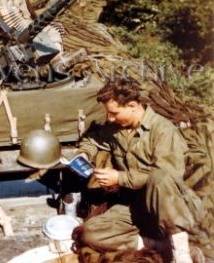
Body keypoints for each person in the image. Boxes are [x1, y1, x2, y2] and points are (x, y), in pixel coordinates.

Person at [77, 79, 204, 263]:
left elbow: (168, 176)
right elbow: (91, 140)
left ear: (132, 105)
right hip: (135, 207)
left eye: (114, 113)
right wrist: (84, 154)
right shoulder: (115, 129)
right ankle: (158, 245)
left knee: (160, 177)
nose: (110, 118)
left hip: (166, 206)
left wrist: (120, 178)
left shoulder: (163, 130)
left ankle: (182, 253)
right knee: (89, 233)